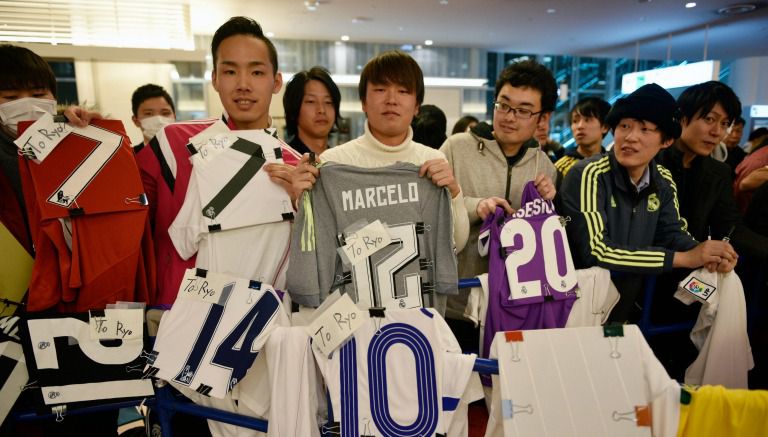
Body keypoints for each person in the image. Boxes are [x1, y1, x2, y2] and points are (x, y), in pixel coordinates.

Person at [135, 17, 299, 307]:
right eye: (230, 71)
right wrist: (79, 134)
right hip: (178, 317)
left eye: (257, 72)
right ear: (214, 79)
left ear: (276, 82)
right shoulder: (174, 144)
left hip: (262, 326)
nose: (243, 85)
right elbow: (124, 220)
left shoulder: (294, 167)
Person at [291, 50, 470, 315]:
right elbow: (320, 250)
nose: (391, 100)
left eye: (403, 91)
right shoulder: (333, 164)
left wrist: (454, 195)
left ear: (417, 105)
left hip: (417, 316)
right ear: (363, 101)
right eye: (380, 89)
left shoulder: (432, 161)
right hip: (352, 317)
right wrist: (301, 202)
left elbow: (456, 243)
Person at [558, 83, 737, 322]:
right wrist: (683, 258)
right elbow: (596, 251)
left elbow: (672, 233)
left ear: (666, 141)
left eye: (645, 129)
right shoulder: (589, 173)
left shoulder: (662, 180)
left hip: (626, 306)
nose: (630, 137)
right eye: (624, 126)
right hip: (574, 306)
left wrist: (708, 253)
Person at [439, 59, 558, 324]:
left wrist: (549, 206)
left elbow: (552, 237)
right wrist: (475, 207)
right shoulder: (456, 149)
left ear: (543, 117)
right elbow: (431, 209)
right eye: (503, 105)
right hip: (456, 302)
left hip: (516, 304)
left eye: (523, 110)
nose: (509, 116)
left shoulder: (545, 167)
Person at [655, 81, 768, 263]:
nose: (717, 132)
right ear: (683, 118)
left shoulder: (719, 173)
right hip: (647, 269)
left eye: (724, 124)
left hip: (692, 276)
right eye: (709, 119)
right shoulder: (651, 163)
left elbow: (730, 227)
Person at [282, 66, 341, 155]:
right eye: (311, 101)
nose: (321, 110)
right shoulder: (282, 162)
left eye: (328, 102)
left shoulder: (340, 161)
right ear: (293, 109)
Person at [554, 96, 611, 184]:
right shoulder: (561, 168)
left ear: (605, 127)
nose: (580, 126)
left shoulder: (612, 164)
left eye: (587, 120)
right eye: (575, 121)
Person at [130, 83, 176, 152]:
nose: (159, 120)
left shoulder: (192, 154)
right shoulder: (130, 159)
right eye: (148, 114)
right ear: (136, 121)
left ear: (174, 116)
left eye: (165, 113)